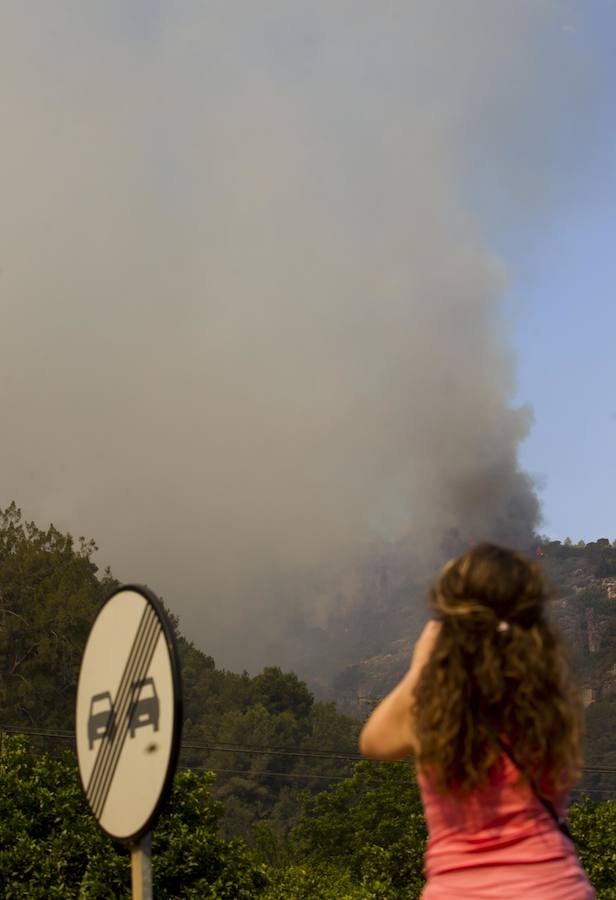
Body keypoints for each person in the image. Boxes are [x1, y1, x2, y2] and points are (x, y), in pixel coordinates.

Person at [359, 542, 594, 899]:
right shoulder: (552, 702)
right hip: (557, 888)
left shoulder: (435, 711)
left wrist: (423, 662)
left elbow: (374, 742)